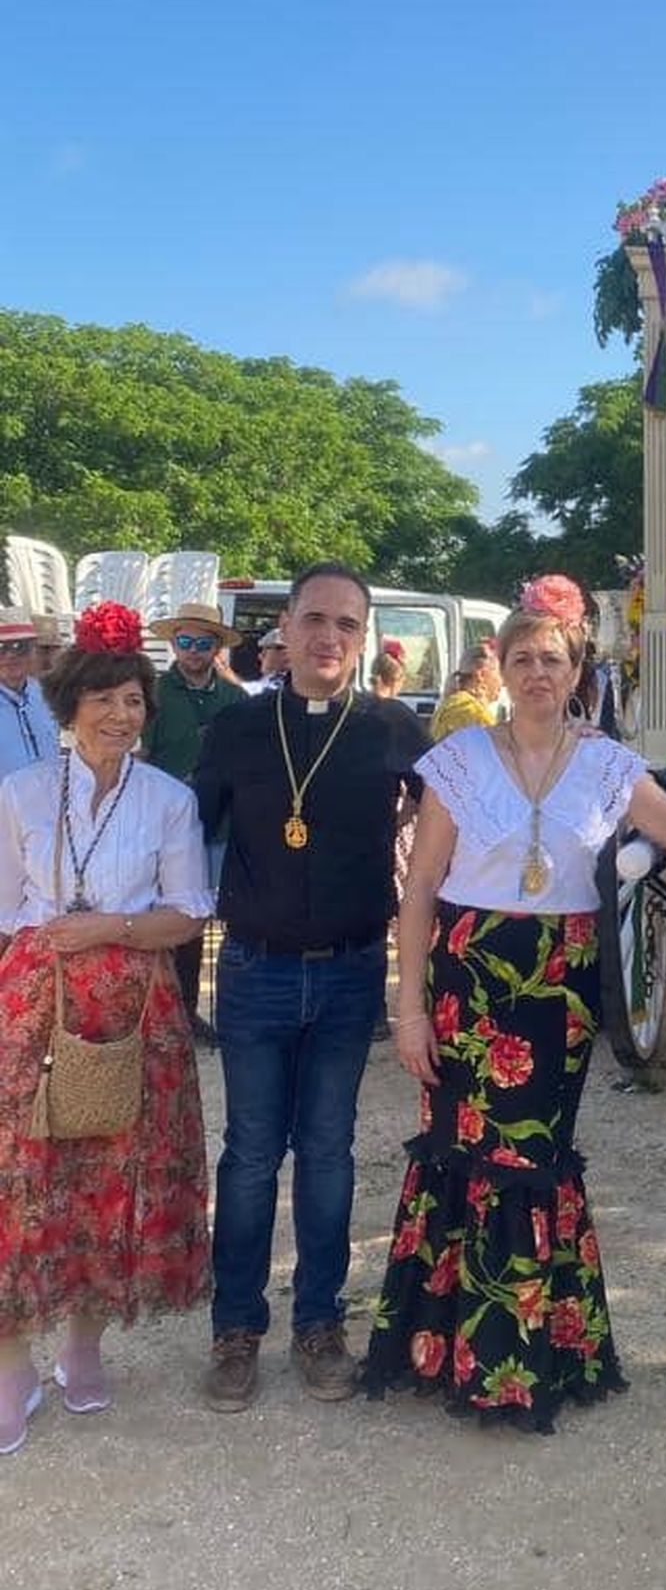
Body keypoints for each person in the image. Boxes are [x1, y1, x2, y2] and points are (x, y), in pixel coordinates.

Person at [362, 573, 666, 1431]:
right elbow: (422, 884)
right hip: (469, 978)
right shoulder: (459, 758)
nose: (538, 671)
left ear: (578, 670)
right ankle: (447, 1351)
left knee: (532, 1161)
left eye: (553, 658)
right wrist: (407, 1002)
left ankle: (524, 1355)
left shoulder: (611, 767)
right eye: (522, 658)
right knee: (456, 1152)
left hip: (559, 987)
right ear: (499, 668)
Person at [194, 563, 430, 1412]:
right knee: (252, 1155)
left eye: (348, 625)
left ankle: (320, 1324)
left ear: (363, 639)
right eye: (316, 619)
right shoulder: (235, 728)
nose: (330, 637)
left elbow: (466, 814)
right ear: (284, 629)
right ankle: (236, 1329)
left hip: (350, 968)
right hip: (255, 969)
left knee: (328, 1152)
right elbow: (186, 838)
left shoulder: (394, 726)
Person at [0, 605, 212, 1454]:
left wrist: (109, 931)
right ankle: (13, 1365)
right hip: (30, 1001)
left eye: (135, 701)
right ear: (70, 702)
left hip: (132, 1006)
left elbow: (189, 912)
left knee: (107, 1180)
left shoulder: (168, 798)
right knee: (20, 1183)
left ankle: (82, 1346)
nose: (121, 715)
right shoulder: (15, 793)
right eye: (106, 698)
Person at [143, 603, 247, 1044]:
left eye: (204, 643)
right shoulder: (153, 694)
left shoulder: (235, 699)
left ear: (216, 648)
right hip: (167, 829)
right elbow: (141, 759)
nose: (193, 651)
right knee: (176, 925)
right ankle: (175, 1012)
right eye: (185, 641)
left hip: (222, 826)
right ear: (173, 644)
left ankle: (219, 1014)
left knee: (229, 925)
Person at [0, 619, 53, 783]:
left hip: (51, 802)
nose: (10, 656)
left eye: (19, 647)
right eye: (1, 648)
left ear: (33, 651)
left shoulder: (47, 696)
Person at [428, 644, 500, 740]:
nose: (502, 682)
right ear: (481, 675)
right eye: (499, 673)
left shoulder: (447, 706)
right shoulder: (474, 714)